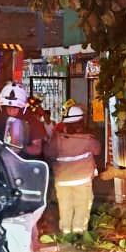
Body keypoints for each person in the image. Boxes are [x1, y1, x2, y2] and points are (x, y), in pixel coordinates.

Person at [45, 100, 101, 235]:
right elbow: (97, 150)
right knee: (82, 208)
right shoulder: (88, 140)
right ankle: (78, 233)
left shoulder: (57, 139)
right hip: (82, 181)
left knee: (65, 208)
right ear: (81, 122)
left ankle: (66, 233)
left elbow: (48, 153)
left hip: (62, 180)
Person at [0, 81, 31, 153]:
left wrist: (21, 148)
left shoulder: (28, 122)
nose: (11, 109)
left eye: (15, 107)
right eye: (8, 106)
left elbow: (16, 149)